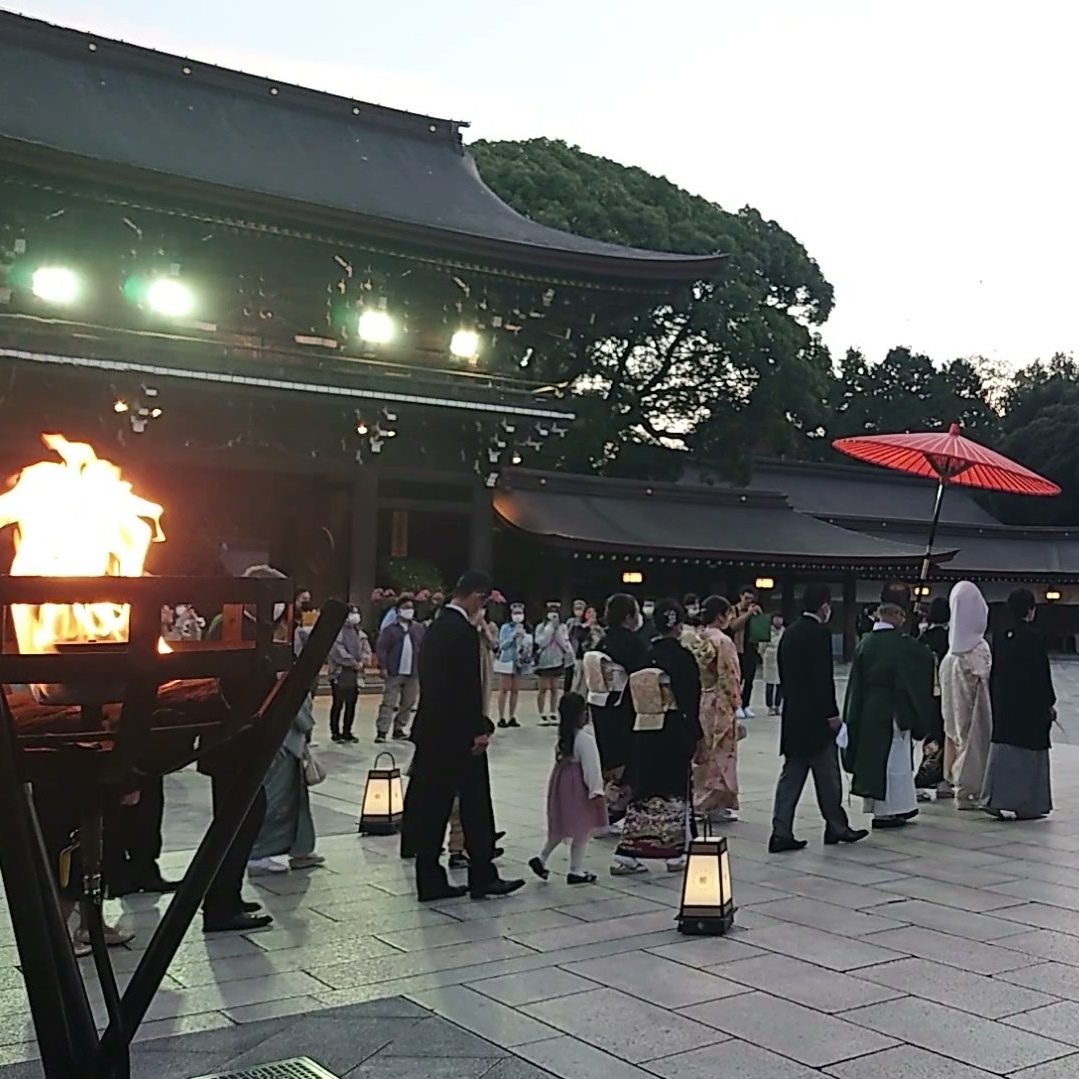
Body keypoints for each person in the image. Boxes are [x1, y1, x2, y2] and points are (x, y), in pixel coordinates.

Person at [407, 570, 525, 902]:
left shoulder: (437, 625)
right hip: (457, 734)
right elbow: (463, 689)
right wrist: (477, 729)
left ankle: (431, 878)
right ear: (477, 597)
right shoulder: (460, 632)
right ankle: (482, 876)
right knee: (474, 805)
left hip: (434, 730)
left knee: (435, 807)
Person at [769, 584, 868, 853]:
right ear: (824, 606)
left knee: (791, 776)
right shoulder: (819, 635)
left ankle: (781, 830)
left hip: (794, 716)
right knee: (828, 777)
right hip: (816, 719)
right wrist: (832, 714)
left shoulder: (789, 634)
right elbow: (821, 680)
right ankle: (836, 826)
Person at [612, 598, 702, 875]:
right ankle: (675, 853)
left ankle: (628, 854)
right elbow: (689, 698)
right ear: (678, 626)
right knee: (676, 790)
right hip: (673, 729)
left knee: (644, 791)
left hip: (645, 728)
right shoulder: (683, 658)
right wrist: (695, 733)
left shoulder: (645, 654)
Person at [842, 596, 933, 830]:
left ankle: (883, 807)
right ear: (895, 616)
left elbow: (856, 683)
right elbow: (923, 657)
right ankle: (890, 811)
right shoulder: (900, 643)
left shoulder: (865, 642)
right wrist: (922, 636)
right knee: (895, 760)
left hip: (868, 708)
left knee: (875, 759)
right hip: (892, 708)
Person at [248, 604, 324, 874]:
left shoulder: (274, 642)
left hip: (288, 730)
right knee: (274, 795)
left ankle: (300, 848)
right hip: (278, 732)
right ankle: (258, 852)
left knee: (293, 795)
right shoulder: (261, 643)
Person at [982, 588, 1056, 820]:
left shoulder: (1000, 636)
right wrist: (1049, 703)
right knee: (1029, 757)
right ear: (1030, 610)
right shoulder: (1033, 638)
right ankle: (1027, 805)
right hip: (1029, 710)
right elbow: (1040, 675)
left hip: (1005, 705)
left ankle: (994, 798)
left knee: (1001, 753)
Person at [529, 692, 607, 884]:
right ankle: (576, 869)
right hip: (578, 789)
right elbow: (591, 768)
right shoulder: (585, 739)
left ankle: (541, 857)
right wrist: (596, 790)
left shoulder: (564, 737)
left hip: (561, 786)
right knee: (582, 829)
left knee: (560, 828)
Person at [587, 593, 650, 824]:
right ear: (628, 616)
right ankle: (618, 811)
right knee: (627, 758)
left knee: (608, 757)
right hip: (624, 708)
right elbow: (643, 675)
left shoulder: (603, 640)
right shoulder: (632, 643)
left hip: (601, 707)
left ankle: (604, 809)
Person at [940, 580, 992, 810]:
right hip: (976, 708)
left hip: (952, 709)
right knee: (974, 741)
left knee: (955, 736)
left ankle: (956, 781)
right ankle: (971, 786)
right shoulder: (978, 649)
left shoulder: (950, 654)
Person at [690, 595, 743, 822]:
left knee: (702, 751)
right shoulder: (723, 641)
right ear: (721, 616)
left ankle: (698, 797)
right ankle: (714, 803)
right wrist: (735, 701)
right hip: (718, 700)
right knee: (720, 752)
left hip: (700, 697)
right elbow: (729, 675)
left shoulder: (696, 639)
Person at [375, 595, 425, 743]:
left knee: (408, 703)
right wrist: (382, 666)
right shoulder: (390, 630)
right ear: (397, 610)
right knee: (389, 702)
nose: (408, 611)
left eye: (410, 608)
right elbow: (382, 649)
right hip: (394, 671)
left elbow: (423, 646)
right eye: (405, 608)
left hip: (413, 671)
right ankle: (382, 731)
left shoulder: (418, 628)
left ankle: (399, 728)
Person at [915, 597, 951, 798]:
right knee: (944, 735)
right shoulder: (950, 640)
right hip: (944, 694)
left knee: (931, 737)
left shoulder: (921, 639)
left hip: (925, 694)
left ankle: (928, 777)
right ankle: (938, 779)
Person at [327, 604, 371, 744]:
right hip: (339, 673)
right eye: (352, 613)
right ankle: (335, 732)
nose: (354, 616)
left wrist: (362, 661)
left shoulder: (360, 633)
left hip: (355, 675)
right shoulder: (337, 632)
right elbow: (337, 651)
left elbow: (366, 650)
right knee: (338, 703)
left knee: (351, 704)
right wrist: (352, 662)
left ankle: (347, 731)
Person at [495, 603, 533, 728]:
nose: (518, 616)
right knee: (504, 689)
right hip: (506, 660)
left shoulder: (526, 627)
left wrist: (524, 637)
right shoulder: (506, 627)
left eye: (520, 613)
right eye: (515, 613)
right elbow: (502, 645)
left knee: (515, 690)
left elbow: (529, 644)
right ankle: (501, 717)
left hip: (519, 661)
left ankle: (512, 716)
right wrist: (512, 636)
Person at [535, 602, 573, 726]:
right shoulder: (541, 627)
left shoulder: (562, 627)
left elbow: (563, 642)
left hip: (557, 659)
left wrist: (557, 630)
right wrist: (550, 628)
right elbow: (542, 642)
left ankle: (552, 712)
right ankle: (541, 713)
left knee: (554, 688)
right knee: (543, 688)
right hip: (544, 660)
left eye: (556, 612)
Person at [729, 587, 763, 719]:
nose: (749, 601)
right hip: (738, 648)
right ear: (741, 596)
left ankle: (746, 704)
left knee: (749, 679)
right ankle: (736, 705)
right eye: (746, 598)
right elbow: (733, 626)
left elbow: (762, 628)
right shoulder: (734, 610)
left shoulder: (755, 609)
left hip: (751, 647)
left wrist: (759, 615)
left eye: (751, 599)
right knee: (738, 679)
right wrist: (748, 614)